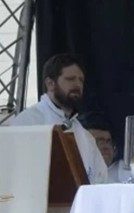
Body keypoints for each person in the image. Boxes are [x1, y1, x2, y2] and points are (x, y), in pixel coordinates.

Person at [9, 54, 108, 184]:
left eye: (81, 80)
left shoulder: (85, 136)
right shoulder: (27, 123)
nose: (78, 84)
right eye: (70, 79)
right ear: (50, 84)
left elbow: (100, 180)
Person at [81, 113, 134, 183]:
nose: (106, 146)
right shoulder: (77, 172)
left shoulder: (132, 172)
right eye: (98, 141)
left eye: (108, 141)